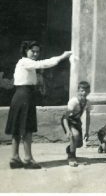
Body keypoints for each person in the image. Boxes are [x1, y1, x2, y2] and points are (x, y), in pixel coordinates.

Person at [5, 41, 72, 169]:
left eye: (37, 51)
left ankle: (14, 157)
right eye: (33, 51)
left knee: (18, 128)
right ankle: (28, 159)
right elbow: (43, 64)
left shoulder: (23, 63)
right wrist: (62, 56)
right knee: (27, 129)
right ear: (26, 50)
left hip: (21, 95)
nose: (35, 54)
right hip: (24, 96)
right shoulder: (26, 61)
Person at [61, 81, 91, 167]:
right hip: (68, 120)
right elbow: (65, 117)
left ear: (89, 91)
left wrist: (87, 131)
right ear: (78, 91)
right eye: (81, 90)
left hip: (77, 122)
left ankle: (70, 149)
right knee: (75, 135)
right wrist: (67, 131)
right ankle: (71, 157)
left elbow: (88, 117)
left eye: (86, 91)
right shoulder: (73, 101)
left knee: (79, 144)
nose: (84, 93)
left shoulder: (88, 102)